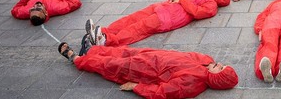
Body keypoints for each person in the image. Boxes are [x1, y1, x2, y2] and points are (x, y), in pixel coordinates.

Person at [57, 43, 238, 98]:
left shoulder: (194, 84)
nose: (219, 64)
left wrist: (136, 86)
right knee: (123, 51)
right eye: (223, 65)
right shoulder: (207, 62)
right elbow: (189, 55)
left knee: (111, 65)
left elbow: (163, 92)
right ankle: (93, 50)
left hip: (145, 70)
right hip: (154, 56)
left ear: (218, 79)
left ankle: (78, 59)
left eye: (221, 68)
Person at [85, 0, 230, 46]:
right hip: (163, 8)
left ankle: (107, 40)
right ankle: (103, 31)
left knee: (138, 28)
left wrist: (180, 0)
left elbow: (198, 12)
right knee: (131, 19)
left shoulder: (211, 3)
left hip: (168, 18)